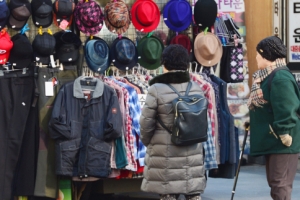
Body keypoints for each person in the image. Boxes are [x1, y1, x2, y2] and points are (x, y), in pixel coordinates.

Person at [139, 44, 206, 200]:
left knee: (168, 195)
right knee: (193, 195)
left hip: (165, 153)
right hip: (193, 152)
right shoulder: (196, 87)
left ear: (165, 63)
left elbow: (146, 123)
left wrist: (148, 142)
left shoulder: (156, 89)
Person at [247, 36, 300, 200]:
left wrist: (284, 132)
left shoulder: (280, 78)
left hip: (283, 141)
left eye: (258, 54)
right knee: (276, 184)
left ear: (266, 55)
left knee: (280, 185)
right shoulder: (267, 76)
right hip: (274, 139)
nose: (256, 57)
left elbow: (287, 107)